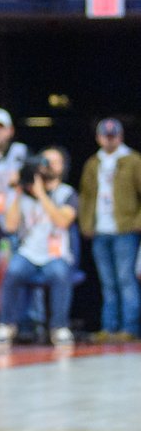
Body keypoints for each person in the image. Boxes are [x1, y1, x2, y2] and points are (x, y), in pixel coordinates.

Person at [0, 147, 77, 350]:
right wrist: (19, 191)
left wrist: (41, 194)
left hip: (55, 254)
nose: (49, 166)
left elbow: (62, 221)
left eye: (55, 162)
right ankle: (6, 326)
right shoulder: (25, 194)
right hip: (29, 253)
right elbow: (10, 226)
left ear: (62, 167)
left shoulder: (66, 193)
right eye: (45, 161)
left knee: (60, 273)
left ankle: (59, 327)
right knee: (13, 271)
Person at [77, 119, 141, 341]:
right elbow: (85, 196)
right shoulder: (93, 163)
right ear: (98, 137)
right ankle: (109, 326)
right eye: (106, 135)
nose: (109, 139)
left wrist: (137, 221)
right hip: (101, 229)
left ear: (121, 137)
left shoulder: (132, 160)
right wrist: (86, 223)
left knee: (125, 279)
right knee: (107, 282)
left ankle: (129, 328)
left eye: (113, 135)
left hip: (125, 229)